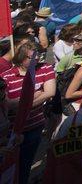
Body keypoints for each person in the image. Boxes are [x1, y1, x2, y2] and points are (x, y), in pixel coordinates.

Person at [2, 41, 57, 184]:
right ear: (20, 57)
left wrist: (23, 103)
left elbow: (50, 92)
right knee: (8, 166)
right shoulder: (6, 77)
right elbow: (8, 104)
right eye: (31, 57)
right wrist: (36, 95)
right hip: (12, 131)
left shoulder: (45, 69)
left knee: (25, 164)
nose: (36, 60)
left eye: (37, 56)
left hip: (35, 127)